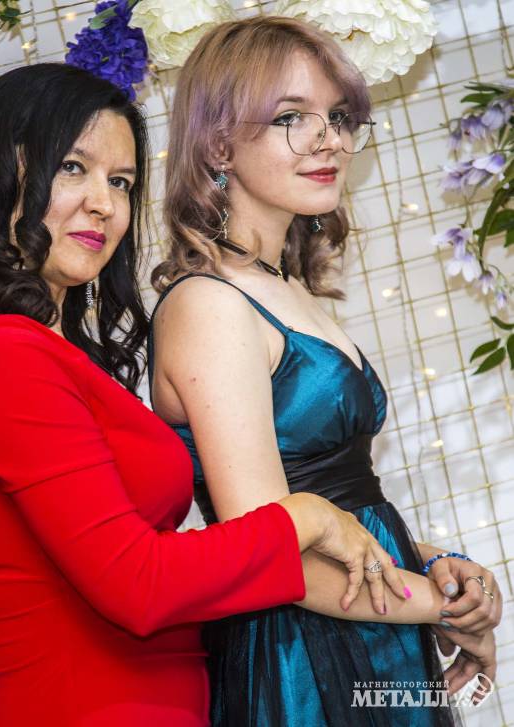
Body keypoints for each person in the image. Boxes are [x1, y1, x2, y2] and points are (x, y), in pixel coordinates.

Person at [0, 63, 410, 727]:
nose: (104, 204)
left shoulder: (30, 349)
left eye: (121, 182)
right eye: (72, 168)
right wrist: (308, 516)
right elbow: (140, 584)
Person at [149, 17, 502, 726]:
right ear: (217, 143)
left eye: (338, 117)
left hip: (365, 615)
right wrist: (439, 607)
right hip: (299, 651)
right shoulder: (210, 304)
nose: (330, 140)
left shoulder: (282, 285)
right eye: (291, 117)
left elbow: (343, 503)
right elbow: (266, 548)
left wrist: (437, 565)